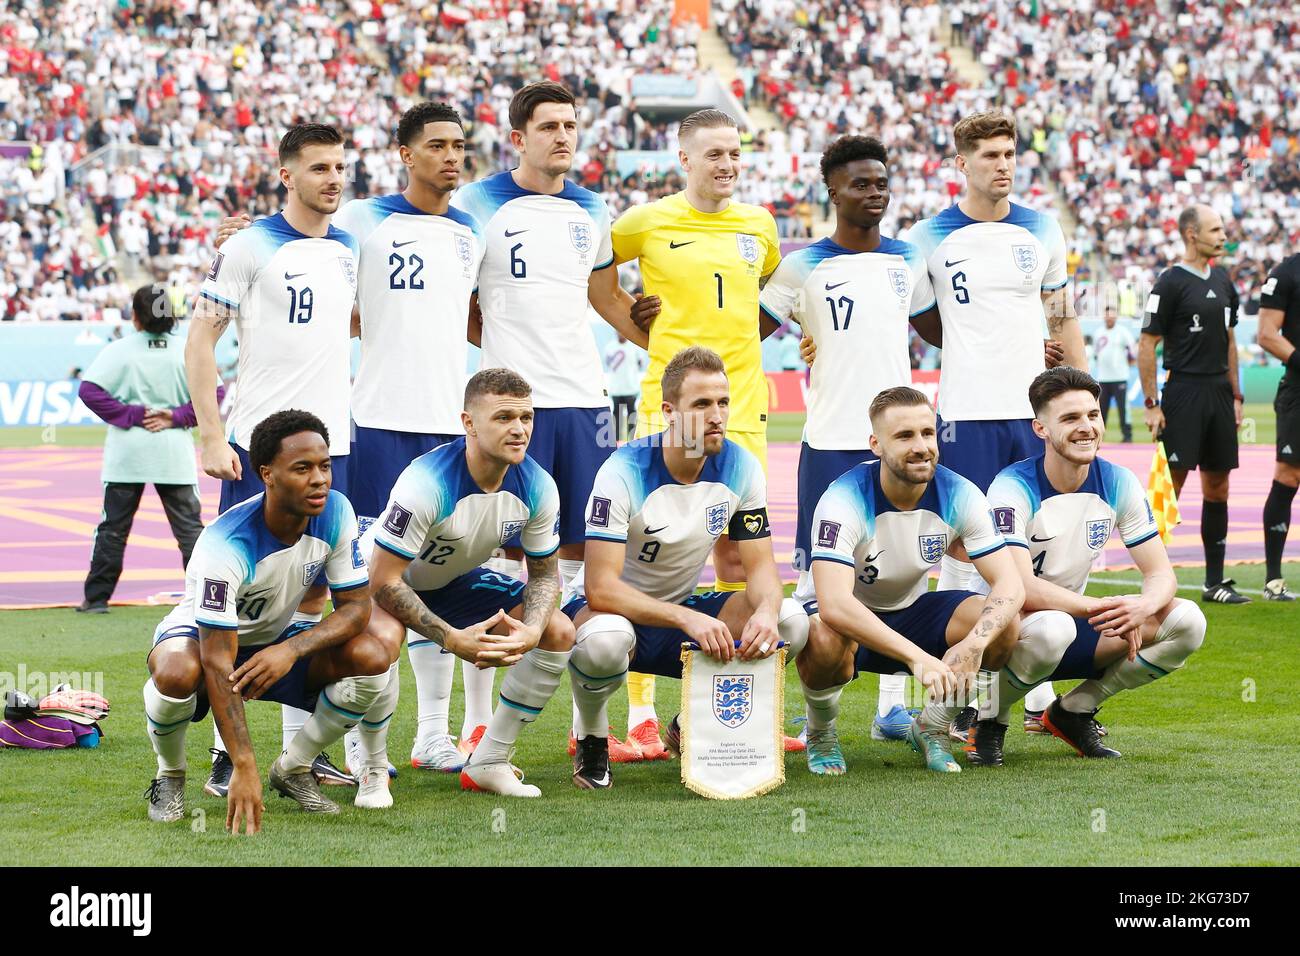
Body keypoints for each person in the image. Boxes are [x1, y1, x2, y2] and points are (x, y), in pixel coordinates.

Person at [212, 103, 489, 773]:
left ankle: (425, 737)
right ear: (404, 153)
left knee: (425, 577)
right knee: (296, 589)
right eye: (436, 145)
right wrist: (249, 240)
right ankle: (243, 752)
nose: (451, 156)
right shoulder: (361, 222)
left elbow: (438, 315)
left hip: (432, 424)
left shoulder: (467, 233)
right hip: (362, 427)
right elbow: (297, 250)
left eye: (459, 145)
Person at [452, 81, 645, 759]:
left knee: (583, 559)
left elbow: (606, 297)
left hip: (586, 405)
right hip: (514, 407)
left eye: (570, 125)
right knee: (497, 559)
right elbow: (461, 299)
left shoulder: (593, 207)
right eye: (549, 127)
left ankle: (585, 729)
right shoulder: (478, 202)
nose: (563, 136)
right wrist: (498, 346)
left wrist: (661, 340)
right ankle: (478, 722)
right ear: (518, 137)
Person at [188, 123, 360, 797]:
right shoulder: (250, 246)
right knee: (243, 599)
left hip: (331, 446)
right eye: (318, 167)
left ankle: (299, 754)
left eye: (340, 166)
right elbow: (200, 338)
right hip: (257, 449)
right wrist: (208, 433)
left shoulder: (348, 248)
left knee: (316, 595)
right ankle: (223, 753)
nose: (333, 178)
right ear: (285, 175)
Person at [901, 109, 1085, 738]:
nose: (1003, 165)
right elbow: (911, 318)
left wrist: (1079, 398)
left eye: (1009, 154)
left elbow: (1061, 316)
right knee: (960, 549)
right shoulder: (926, 236)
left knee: (1043, 542)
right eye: (989, 156)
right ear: (962, 164)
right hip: (967, 414)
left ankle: (1034, 696)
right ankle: (949, 701)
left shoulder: (1043, 228)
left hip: (1031, 412)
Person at [609, 108, 787, 755]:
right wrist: (634, 324)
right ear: (683, 160)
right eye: (713, 154)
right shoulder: (644, 222)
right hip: (672, 410)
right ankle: (640, 717)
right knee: (649, 555)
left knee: (739, 555)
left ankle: (724, 701)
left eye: (734, 153)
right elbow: (598, 277)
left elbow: (758, 297)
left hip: (743, 408)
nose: (727, 165)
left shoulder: (759, 227)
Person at [759, 135, 941, 743]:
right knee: (819, 583)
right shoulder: (801, 265)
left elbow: (942, 331)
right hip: (832, 441)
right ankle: (818, 716)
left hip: (901, 442)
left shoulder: (906, 261)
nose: (874, 193)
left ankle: (893, 707)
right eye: (860, 183)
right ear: (831, 190)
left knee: (904, 569)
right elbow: (746, 330)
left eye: (881, 182)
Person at [563, 347, 808, 789]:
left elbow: (762, 572)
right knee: (604, 641)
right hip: (613, 614)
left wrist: (768, 611)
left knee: (790, 621)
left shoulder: (741, 466)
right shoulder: (622, 471)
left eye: (723, 402)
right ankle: (592, 737)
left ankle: (689, 723)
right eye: (701, 404)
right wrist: (686, 617)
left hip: (682, 610)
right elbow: (600, 588)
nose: (717, 415)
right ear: (669, 412)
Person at [142, 411, 387, 831]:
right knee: (175, 671)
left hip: (274, 638)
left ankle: (293, 767)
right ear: (267, 474)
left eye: (324, 466)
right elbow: (218, 660)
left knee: (373, 654)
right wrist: (243, 765)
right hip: (203, 640)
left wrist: (290, 649)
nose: (320, 479)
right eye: (302, 468)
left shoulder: (336, 512)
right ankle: (171, 774)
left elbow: (356, 608)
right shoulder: (224, 545)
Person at [356, 368, 574, 801]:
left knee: (558, 631)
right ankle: (372, 767)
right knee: (381, 642)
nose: (519, 429)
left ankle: (489, 761)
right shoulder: (427, 481)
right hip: (376, 578)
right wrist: (452, 639)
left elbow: (547, 576)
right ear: (468, 423)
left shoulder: (538, 485)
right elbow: (383, 580)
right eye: (504, 417)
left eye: (526, 418)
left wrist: (531, 629)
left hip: (450, 580)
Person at [795, 386, 1025, 775]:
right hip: (852, 618)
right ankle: (820, 732)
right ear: (876, 445)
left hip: (911, 611)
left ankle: (932, 727)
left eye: (927, 433)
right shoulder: (843, 498)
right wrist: (918, 659)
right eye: (904, 436)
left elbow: (1011, 584)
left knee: (1003, 627)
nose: (921, 446)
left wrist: (975, 642)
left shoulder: (960, 492)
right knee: (821, 638)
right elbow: (834, 603)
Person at [984, 368, 1207, 759]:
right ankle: (988, 717)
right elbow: (1021, 588)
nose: (1086, 427)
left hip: (1071, 626)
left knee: (1188, 622)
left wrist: (1142, 607)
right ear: (1040, 429)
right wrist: (1103, 608)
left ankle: (1073, 710)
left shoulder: (1119, 481)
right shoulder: (1011, 485)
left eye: (1092, 415)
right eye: (1070, 418)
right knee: (1051, 629)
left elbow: (1160, 574)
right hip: (1002, 633)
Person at [76, 284, 218, 613]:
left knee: (113, 528)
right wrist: (179, 416)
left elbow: (89, 391)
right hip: (173, 453)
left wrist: (132, 415)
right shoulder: (187, 349)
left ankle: (96, 598)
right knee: (190, 531)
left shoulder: (119, 350)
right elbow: (215, 393)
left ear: (136, 316)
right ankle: (207, 597)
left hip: (128, 453)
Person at [1139, 204, 1247, 605]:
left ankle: (1214, 582)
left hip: (1219, 391)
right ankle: (1155, 583)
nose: (1223, 236)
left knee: (1218, 485)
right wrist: (1152, 403)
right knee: (1171, 487)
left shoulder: (1223, 279)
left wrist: (1236, 395)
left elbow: (1231, 340)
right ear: (1191, 234)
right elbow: (1147, 343)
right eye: (1216, 230)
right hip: (1183, 391)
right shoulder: (1169, 283)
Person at [1256, 252, 1300, 601]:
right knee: (1288, 476)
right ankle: (1273, 580)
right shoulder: (1286, 272)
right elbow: (1267, 334)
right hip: (1298, 391)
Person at [1091, 306, 1136, 442]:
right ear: (1104, 317)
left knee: (1123, 409)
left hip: (1120, 377)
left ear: (1116, 317)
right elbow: (1095, 354)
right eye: (1107, 315)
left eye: (1112, 315)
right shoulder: (1098, 333)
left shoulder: (1123, 332)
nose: (1109, 318)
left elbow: (1132, 350)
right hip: (1103, 377)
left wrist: (1130, 360)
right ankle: (1099, 437)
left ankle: (1127, 436)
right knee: (1101, 409)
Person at [605, 333, 644, 441]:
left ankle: (632, 440)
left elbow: (640, 363)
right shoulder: (610, 347)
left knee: (631, 416)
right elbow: (608, 364)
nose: (620, 334)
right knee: (617, 417)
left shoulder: (634, 347)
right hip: (616, 389)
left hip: (631, 389)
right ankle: (617, 441)